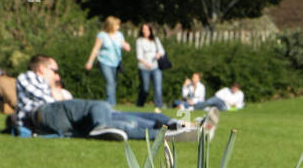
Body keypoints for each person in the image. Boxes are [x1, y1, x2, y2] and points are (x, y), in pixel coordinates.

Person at [14, 54, 204, 141]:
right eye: (54, 70)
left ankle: (177, 131)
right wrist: (53, 86)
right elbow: (52, 101)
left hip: (63, 119)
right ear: (41, 69)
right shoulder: (28, 77)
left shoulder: (48, 83)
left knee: (127, 124)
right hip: (44, 115)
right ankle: (101, 127)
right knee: (99, 106)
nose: (57, 75)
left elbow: (61, 100)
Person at [85, 16, 130, 106]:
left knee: (113, 83)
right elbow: (95, 49)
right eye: (117, 25)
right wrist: (90, 62)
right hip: (104, 62)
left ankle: (109, 102)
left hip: (116, 63)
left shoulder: (119, 35)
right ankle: (111, 104)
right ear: (111, 25)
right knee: (110, 82)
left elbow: (122, 43)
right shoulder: (102, 35)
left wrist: (126, 46)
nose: (118, 27)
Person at [135, 23, 165, 109]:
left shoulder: (155, 40)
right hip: (144, 67)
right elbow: (139, 56)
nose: (145, 31)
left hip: (156, 67)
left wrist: (158, 54)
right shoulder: (139, 41)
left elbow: (162, 51)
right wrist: (145, 63)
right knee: (145, 89)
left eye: (147, 29)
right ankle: (140, 104)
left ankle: (158, 106)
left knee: (158, 88)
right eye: (143, 29)